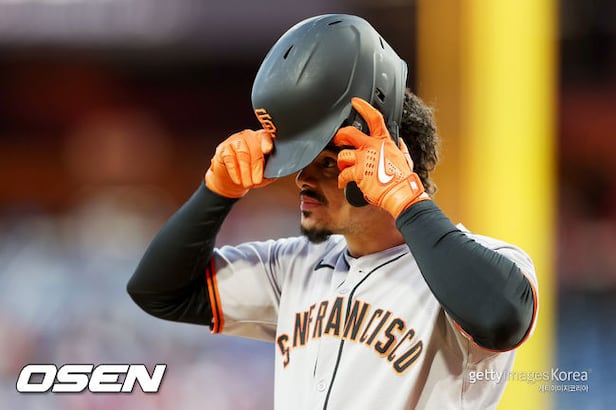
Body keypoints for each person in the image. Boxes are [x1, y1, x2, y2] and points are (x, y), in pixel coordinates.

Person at [127, 14, 538, 410]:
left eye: (326, 163)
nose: (302, 179)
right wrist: (215, 193)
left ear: (393, 161)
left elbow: (501, 319)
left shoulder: (486, 263)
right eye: (301, 163)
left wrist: (406, 199)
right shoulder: (293, 267)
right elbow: (160, 293)